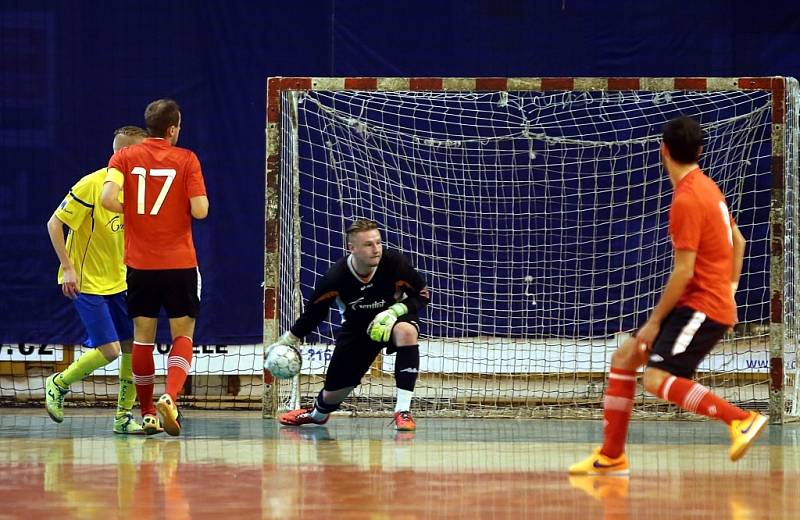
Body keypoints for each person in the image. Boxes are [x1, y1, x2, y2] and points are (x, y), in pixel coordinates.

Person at [569, 116, 767, 476]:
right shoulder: (708, 187)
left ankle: (741, 420)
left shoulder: (688, 199)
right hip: (706, 300)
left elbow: (683, 271)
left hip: (702, 306)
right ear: (700, 151)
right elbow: (739, 241)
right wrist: (732, 288)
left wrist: (654, 322)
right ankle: (612, 457)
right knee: (625, 358)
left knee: (655, 380)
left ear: (663, 151)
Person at [100, 99, 209, 436]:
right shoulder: (187, 159)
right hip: (178, 263)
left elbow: (107, 199)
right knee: (182, 335)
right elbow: (201, 210)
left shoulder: (123, 157)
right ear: (173, 128)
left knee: (142, 341)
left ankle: (147, 412)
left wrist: (132, 212)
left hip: (140, 264)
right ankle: (171, 397)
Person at [275, 219, 430, 431]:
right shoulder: (336, 277)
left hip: (394, 320)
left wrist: (395, 311)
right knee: (332, 393)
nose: (376, 249)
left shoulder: (395, 263)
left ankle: (402, 411)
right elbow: (314, 314)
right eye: (368, 244)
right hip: (358, 329)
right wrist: (288, 340)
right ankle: (317, 415)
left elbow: (422, 295)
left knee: (406, 331)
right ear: (352, 248)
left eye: (378, 242)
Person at [44, 125, 149, 434]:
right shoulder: (92, 185)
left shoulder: (139, 188)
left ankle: (123, 418)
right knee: (111, 351)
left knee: (133, 347)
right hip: (87, 283)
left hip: (121, 282)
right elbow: (54, 224)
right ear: (124, 155)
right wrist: (69, 268)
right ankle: (58, 383)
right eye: (141, 152)